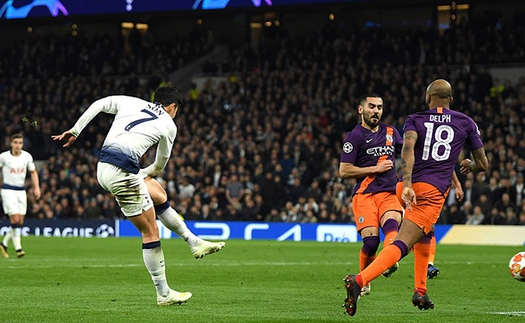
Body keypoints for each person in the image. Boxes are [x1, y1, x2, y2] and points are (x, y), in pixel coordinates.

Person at [52, 84, 225, 306]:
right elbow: (159, 166)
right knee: (150, 232)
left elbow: (99, 104)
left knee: (159, 195)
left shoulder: (132, 101)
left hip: (104, 166)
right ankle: (164, 294)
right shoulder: (168, 124)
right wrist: (142, 173)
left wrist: (75, 130)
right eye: (177, 110)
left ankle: (194, 242)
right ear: (172, 106)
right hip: (122, 174)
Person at [342, 79, 488, 316]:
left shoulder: (415, 119)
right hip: (430, 194)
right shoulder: (466, 122)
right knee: (403, 244)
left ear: (428, 98)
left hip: (404, 186)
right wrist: (469, 164)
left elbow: (407, 150)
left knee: (426, 233)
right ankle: (359, 280)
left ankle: (420, 289)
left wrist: (407, 184)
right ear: (451, 100)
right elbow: (483, 163)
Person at [339, 93, 403, 297]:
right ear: (361, 110)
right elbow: (344, 170)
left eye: (379, 107)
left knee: (392, 225)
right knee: (371, 243)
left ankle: (390, 260)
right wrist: (375, 169)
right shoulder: (354, 136)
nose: (376, 111)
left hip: (390, 192)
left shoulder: (391, 132)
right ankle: (365, 281)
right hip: (364, 195)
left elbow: (409, 152)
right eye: (372, 107)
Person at [0, 133, 41, 258]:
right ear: (11, 143)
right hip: (8, 190)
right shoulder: (3, 157)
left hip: (21, 191)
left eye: (20, 143)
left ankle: (4, 244)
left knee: (20, 222)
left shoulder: (27, 157)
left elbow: (33, 172)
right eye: (16, 143)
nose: (18, 145)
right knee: (15, 219)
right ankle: (19, 248)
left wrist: (37, 187)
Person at [428, 172, 464, 279]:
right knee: (415, 234)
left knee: (428, 231)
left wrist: (457, 184)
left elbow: (449, 166)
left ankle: (428, 265)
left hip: (432, 193)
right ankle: (389, 260)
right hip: (421, 189)